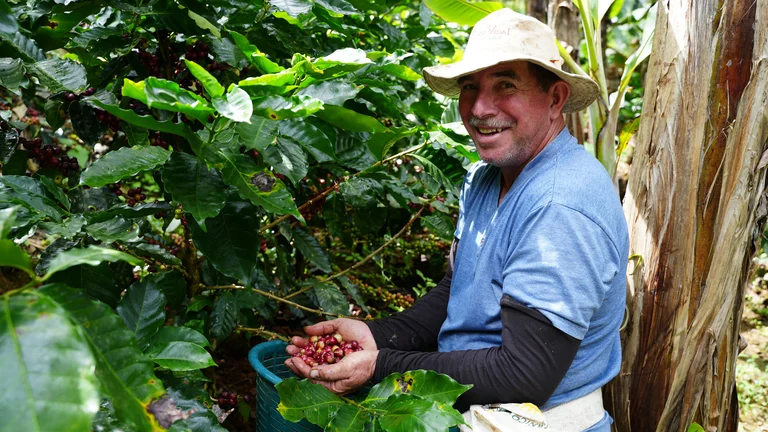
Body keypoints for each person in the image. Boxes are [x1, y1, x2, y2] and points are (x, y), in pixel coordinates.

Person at [285, 8, 628, 432]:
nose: (480, 108)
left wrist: (381, 366)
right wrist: (380, 335)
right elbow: (460, 289)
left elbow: (525, 374)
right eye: (470, 87)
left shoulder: (560, 205)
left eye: (506, 85)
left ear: (555, 99)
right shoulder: (487, 177)